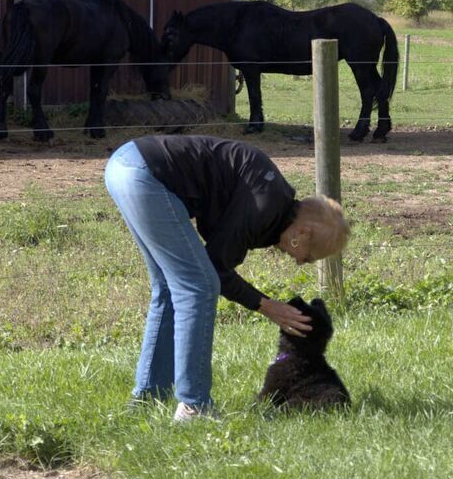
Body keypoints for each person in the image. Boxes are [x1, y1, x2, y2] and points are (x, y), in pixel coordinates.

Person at [104, 134, 350, 422]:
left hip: (125, 166)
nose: (299, 261)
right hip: (144, 175)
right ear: (302, 233)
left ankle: (148, 398)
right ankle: (194, 406)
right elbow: (216, 268)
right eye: (307, 256)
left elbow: (218, 255)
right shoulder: (265, 205)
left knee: (172, 288)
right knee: (198, 286)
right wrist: (270, 307)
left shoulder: (272, 203)